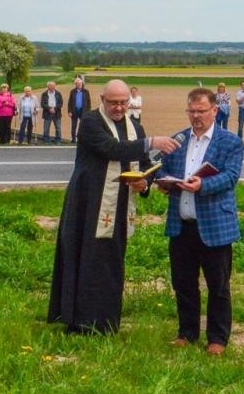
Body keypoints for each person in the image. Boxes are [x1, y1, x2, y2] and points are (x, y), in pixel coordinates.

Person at [47, 80, 180, 335]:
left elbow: (142, 162)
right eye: (113, 103)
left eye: (123, 103)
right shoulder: (90, 122)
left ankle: (106, 322)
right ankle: (80, 321)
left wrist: (145, 181)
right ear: (102, 99)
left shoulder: (135, 128)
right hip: (88, 203)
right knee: (86, 258)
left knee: (111, 263)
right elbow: (111, 149)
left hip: (118, 205)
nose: (119, 108)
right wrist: (152, 141)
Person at [156, 87, 244, 354]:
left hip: (215, 225)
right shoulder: (179, 140)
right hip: (181, 224)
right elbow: (163, 167)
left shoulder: (230, 142)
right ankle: (187, 332)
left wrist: (202, 184)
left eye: (201, 111)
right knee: (183, 283)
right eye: (191, 111)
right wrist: (163, 181)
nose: (196, 116)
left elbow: (230, 177)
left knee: (218, 285)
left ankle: (217, 339)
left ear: (214, 111)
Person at [68, 77, 91, 142]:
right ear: (75, 84)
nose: (79, 85)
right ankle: (73, 139)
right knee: (73, 126)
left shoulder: (86, 91)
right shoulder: (72, 92)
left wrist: (88, 111)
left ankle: (82, 139)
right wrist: (69, 111)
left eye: (80, 83)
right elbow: (70, 102)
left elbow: (89, 102)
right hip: (74, 111)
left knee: (83, 126)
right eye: (78, 83)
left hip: (83, 111)